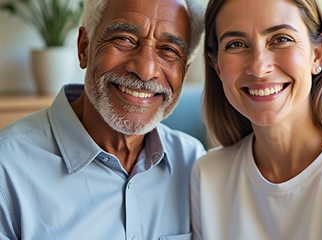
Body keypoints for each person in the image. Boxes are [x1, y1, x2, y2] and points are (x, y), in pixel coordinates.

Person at [190, 0, 322, 239]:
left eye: (281, 39)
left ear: (317, 55)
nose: (259, 68)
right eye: (236, 44)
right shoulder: (207, 175)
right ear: (216, 66)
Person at [0, 0, 205, 239]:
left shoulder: (193, 163)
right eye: (125, 39)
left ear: (184, 72)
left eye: (169, 50)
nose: (146, 69)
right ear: (84, 47)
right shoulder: (7, 168)